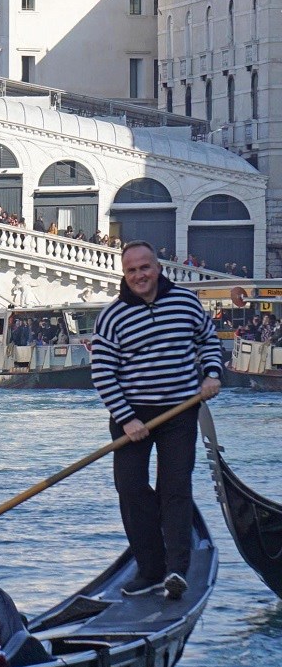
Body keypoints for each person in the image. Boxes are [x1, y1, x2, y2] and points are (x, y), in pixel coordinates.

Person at [91, 241, 222, 600]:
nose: (139, 276)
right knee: (131, 490)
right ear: (124, 273)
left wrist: (211, 374)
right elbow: (103, 372)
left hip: (180, 410)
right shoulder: (113, 316)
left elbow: (208, 340)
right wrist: (128, 419)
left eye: (145, 268)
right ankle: (150, 567)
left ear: (158, 268)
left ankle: (176, 569)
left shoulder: (186, 303)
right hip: (131, 413)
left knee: (175, 489)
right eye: (131, 270)